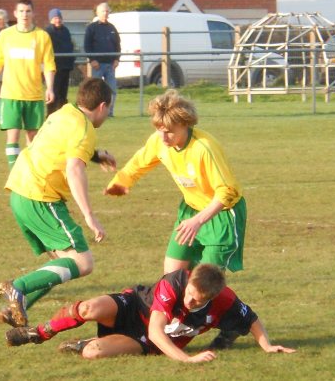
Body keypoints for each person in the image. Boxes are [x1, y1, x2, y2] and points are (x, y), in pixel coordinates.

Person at [0, 78, 117, 329]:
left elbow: (61, 144)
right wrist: (89, 216)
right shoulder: (85, 129)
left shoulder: (64, 112)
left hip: (19, 191)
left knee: (60, 263)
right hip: (41, 195)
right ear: (103, 106)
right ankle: (17, 289)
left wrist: (96, 155)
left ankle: (15, 308)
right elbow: (74, 169)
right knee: (83, 262)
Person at [5, 263, 296, 361]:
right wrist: (187, 360)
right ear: (189, 280)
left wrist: (267, 346)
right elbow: (158, 327)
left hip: (145, 339)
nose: (190, 301)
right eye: (190, 295)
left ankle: (82, 343)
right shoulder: (175, 282)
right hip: (135, 309)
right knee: (88, 307)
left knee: (93, 353)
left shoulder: (225, 301)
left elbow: (252, 319)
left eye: (197, 301)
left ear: (213, 297)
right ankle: (40, 332)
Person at [105, 90, 247, 275]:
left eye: (169, 132)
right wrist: (121, 182)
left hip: (221, 216)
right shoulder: (159, 141)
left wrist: (198, 221)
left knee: (202, 285)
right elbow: (138, 163)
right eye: (159, 130)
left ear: (185, 124)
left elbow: (227, 191)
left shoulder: (204, 148)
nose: (163, 138)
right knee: (170, 279)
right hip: (190, 211)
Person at [0, 0, 56, 169]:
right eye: (21, 11)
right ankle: (14, 172)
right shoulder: (5, 36)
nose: (24, 14)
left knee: (33, 137)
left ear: (33, 13)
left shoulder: (42, 36)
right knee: (12, 135)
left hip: (34, 94)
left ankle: (31, 172)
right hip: (10, 95)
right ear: (15, 14)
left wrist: (50, 88)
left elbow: (49, 64)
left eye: (28, 11)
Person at [84, 2, 120, 117]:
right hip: (97, 65)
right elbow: (87, 45)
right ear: (98, 13)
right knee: (96, 91)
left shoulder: (112, 28)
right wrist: (92, 59)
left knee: (112, 90)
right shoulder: (91, 28)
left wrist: (116, 59)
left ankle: (110, 112)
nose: (106, 13)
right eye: (103, 11)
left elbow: (117, 45)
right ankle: (95, 112)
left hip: (110, 65)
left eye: (107, 11)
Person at [45, 8, 76, 116]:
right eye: (55, 18)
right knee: (54, 92)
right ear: (51, 19)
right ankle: (50, 114)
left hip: (65, 66)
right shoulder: (48, 32)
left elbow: (69, 46)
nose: (57, 20)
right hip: (54, 67)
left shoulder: (66, 31)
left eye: (59, 18)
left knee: (63, 93)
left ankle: (62, 114)